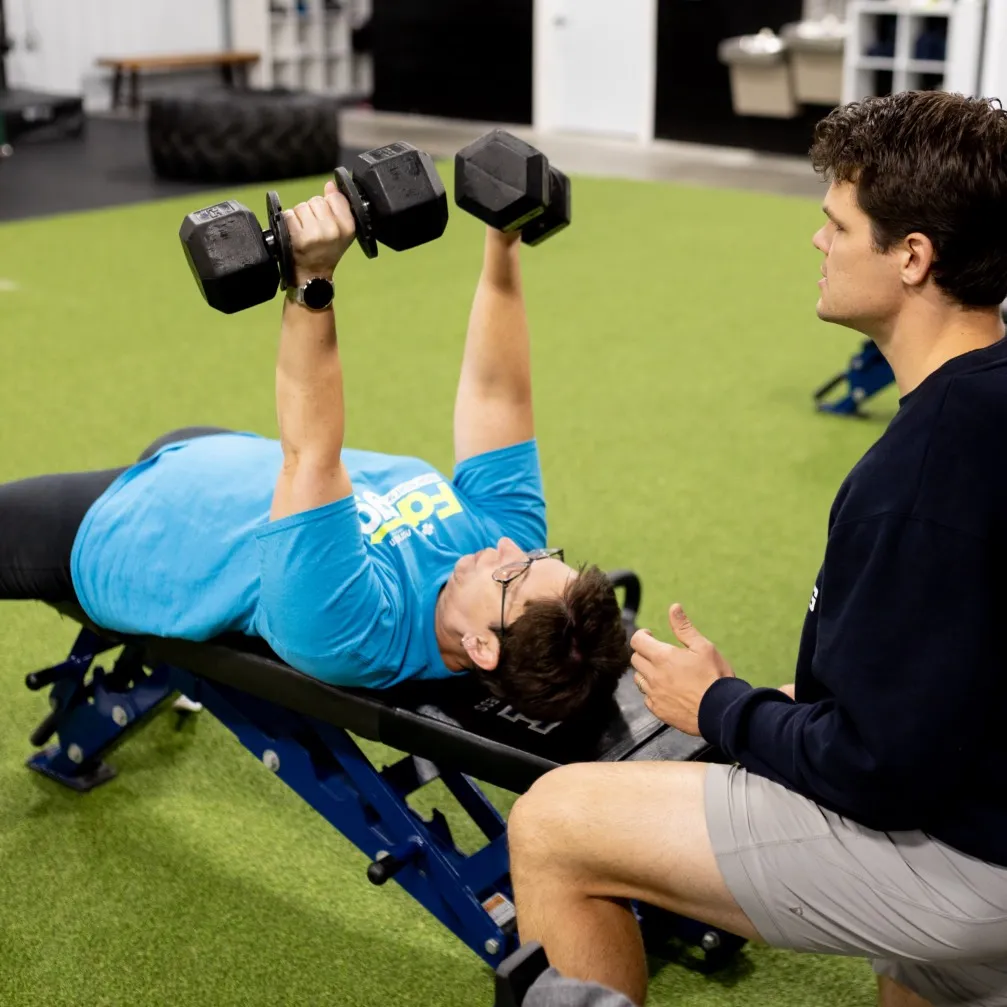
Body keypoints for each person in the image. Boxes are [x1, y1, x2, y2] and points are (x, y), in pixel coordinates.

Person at [505, 90, 1007, 1007]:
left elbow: (878, 770)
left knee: (554, 823)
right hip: (982, 816)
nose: (817, 240)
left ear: (911, 256)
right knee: (923, 972)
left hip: (971, 860)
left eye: (837, 225)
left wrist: (720, 705)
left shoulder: (922, 471)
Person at [0, 182, 630, 721]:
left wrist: (312, 280)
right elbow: (497, 395)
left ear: (482, 648)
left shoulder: (353, 630)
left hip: (137, 534)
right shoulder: (505, 540)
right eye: (542, 556)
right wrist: (503, 238)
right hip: (220, 457)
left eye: (514, 573)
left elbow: (311, 455)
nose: (510, 547)